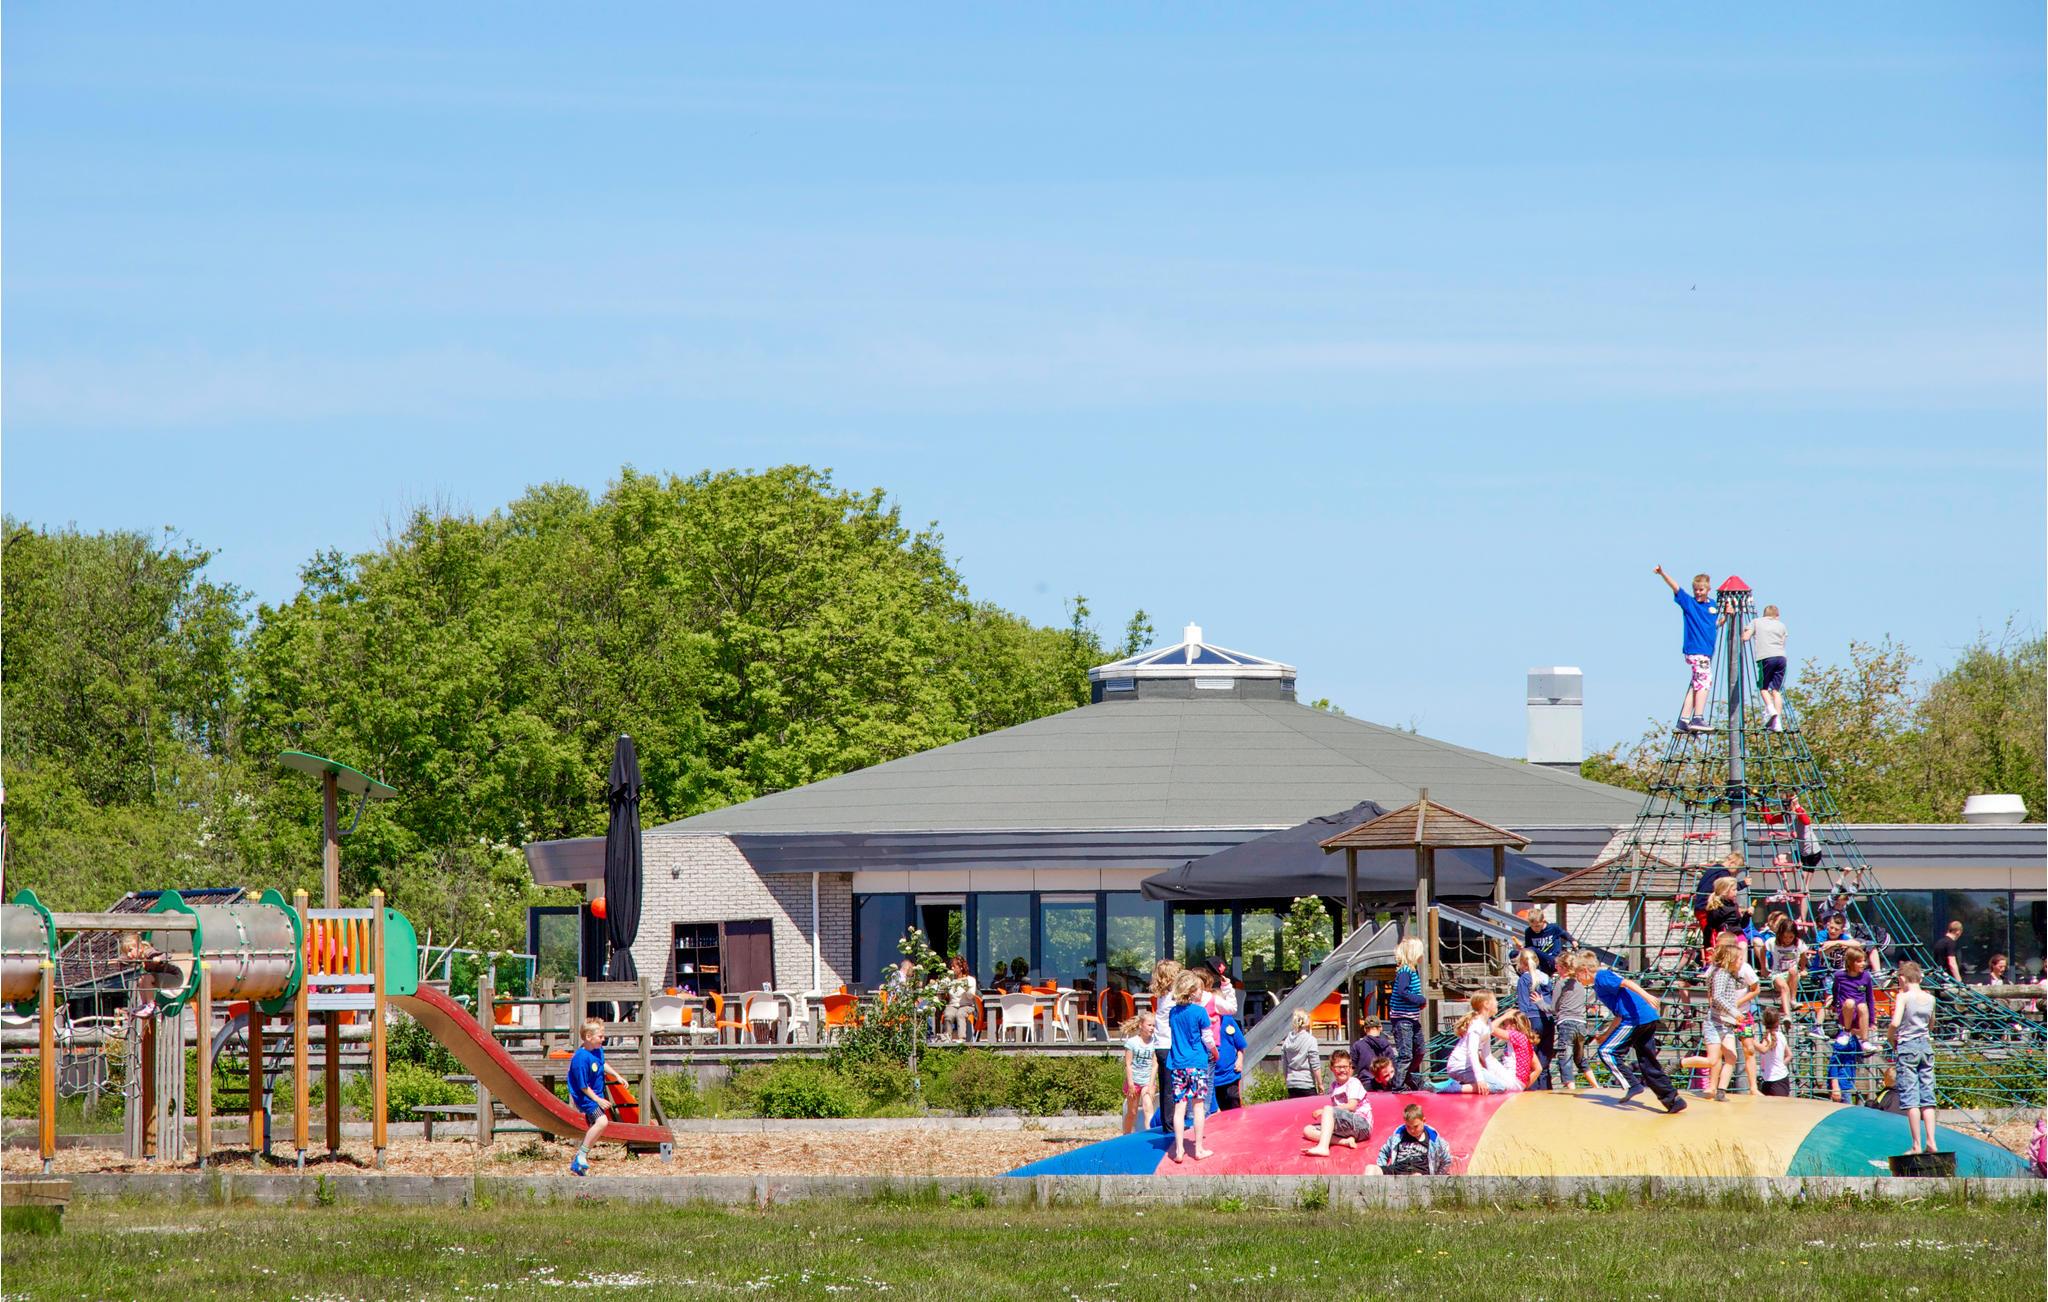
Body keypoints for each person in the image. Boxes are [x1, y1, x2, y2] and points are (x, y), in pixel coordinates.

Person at [1576, 953, 1685, 1113]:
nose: (1577, 979)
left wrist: (1647, 995)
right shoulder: (1600, 984)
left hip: (1635, 1019)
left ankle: (1632, 1085)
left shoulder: (1601, 977)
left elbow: (1627, 982)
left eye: (1577, 974)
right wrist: (1606, 1034)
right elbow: (1619, 1014)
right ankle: (1673, 1100)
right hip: (1646, 1018)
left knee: (1606, 1052)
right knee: (1648, 1062)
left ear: (1585, 970)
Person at [1654, 565, 1724, 733]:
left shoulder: (1713, 606)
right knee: (1705, 682)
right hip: (1697, 651)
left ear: (1708, 589)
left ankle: (1683, 720)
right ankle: (1698, 717)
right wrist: (1662, 573)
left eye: (1701, 590)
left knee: (1696, 684)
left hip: (1705, 651)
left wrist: (1727, 616)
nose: (1698, 592)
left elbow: (1714, 625)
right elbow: (1676, 587)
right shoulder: (1689, 603)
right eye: (1696, 590)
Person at [1164, 971, 1216, 1163]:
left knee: (1180, 1107)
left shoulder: (1173, 1013)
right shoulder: (1200, 1012)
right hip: (1196, 1063)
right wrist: (1215, 1052)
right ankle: (1198, 1149)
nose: (1202, 992)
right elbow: (1207, 1038)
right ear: (1192, 991)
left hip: (1178, 1063)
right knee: (1198, 1106)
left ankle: (1179, 1150)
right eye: (1200, 989)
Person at [1889, 961, 1939, 1154]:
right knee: (1927, 1096)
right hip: (1925, 1046)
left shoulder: (1903, 997)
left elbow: (1895, 1022)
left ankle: (1917, 1144)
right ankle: (1932, 1141)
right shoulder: (1930, 998)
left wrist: (1890, 1037)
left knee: (1911, 1097)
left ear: (1902, 978)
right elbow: (1932, 1024)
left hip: (1907, 1046)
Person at [1703, 939, 1760, 1101]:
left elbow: (1756, 988)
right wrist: (1732, 1010)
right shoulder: (1720, 972)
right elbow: (1715, 995)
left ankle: (1746, 1088)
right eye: (1740, 958)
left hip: (1740, 1016)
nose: (1742, 961)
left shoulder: (1741, 970)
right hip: (1724, 1017)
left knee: (1745, 1050)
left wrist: (1737, 1007)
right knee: (1715, 1058)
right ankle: (1713, 1086)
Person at [1443, 991, 1518, 1094]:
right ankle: (1452, 1088)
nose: (1497, 1003)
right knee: (1498, 1087)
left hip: (1468, 1066)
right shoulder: (1476, 1025)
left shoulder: (1487, 1024)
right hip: (1460, 1066)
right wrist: (1480, 1079)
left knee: (1501, 1084)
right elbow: (1472, 1053)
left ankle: (1458, 1085)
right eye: (1495, 1000)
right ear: (1486, 1004)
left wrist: (1496, 1073)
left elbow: (1486, 1054)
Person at [1300, 1050, 1370, 1158]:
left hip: (1361, 1125)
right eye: (1338, 1067)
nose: (1342, 1070)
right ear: (1332, 1068)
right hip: (1345, 1127)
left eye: (1345, 1067)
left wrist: (1326, 1111)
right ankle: (1344, 1141)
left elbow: (1352, 1106)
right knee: (1308, 1130)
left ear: (1350, 1067)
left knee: (1328, 1109)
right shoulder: (1334, 1086)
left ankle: (1323, 1147)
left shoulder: (1353, 1082)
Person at [566, 1016, 612, 1176]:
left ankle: (580, 1162)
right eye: (600, 1036)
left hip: (596, 1095)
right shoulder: (580, 1059)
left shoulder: (597, 1050)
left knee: (599, 1124)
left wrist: (617, 1076)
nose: (603, 1039)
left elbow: (602, 1064)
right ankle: (581, 1155)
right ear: (588, 1037)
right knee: (602, 1121)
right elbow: (583, 1086)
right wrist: (598, 1100)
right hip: (586, 1098)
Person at [1741, 603, 1790, 731]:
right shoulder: (1781, 625)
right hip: (1781, 658)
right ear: (1777, 616)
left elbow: (1745, 637)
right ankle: (1777, 722)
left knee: (1763, 687)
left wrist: (1743, 632)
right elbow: (1783, 643)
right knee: (1776, 691)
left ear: (1764, 615)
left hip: (1766, 657)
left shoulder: (1756, 622)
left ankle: (1770, 709)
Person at [1368, 1102, 1453, 1175]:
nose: (1412, 1130)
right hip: (1397, 1171)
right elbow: (1384, 1152)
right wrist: (1381, 1174)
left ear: (1424, 1121)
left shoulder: (1434, 1139)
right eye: (1408, 1126)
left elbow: (1446, 1159)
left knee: (1416, 1176)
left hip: (1419, 1173)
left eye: (1415, 1126)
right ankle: (1367, 1189)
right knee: (1370, 1168)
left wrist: (1436, 1178)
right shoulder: (1398, 1136)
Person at [1388, 936, 1428, 1090]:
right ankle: (1398, 1086)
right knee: (1406, 1054)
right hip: (1402, 1018)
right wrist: (1420, 1000)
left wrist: (1418, 1002)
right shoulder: (1405, 971)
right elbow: (1402, 992)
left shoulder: (1411, 971)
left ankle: (1406, 1076)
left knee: (1420, 1050)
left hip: (1411, 1017)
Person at [1549, 950, 1592, 1091]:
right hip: (1581, 1024)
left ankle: (1571, 1088)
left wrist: (1539, 1002)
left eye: (1557, 966)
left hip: (1566, 1023)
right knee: (1580, 1058)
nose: (1555, 968)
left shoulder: (1561, 983)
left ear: (1563, 968)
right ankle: (1596, 1085)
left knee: (1564, 1057)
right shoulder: (1579, 983)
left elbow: (1553, 1008)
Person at [1510, 949, 1553, 1089]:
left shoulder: (1524, 979)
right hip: (1548, 1020)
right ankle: (1545, 1089)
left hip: (1532, 1019)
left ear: (1521, 964)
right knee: (1544, 1058)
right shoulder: (1546, 978)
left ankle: (1531, 1088)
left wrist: (1520, 1025)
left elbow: (1523, 1005)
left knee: (1529, 1057)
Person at [1149, 960, 1181, 1132]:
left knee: (1165, 1085)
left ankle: (1166, 1121)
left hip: (1161, 1045)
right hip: (1169, 1045)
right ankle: (1169, 1124)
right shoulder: (1172, 998)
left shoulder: (1162, 996)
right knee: (1170, 1086)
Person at [116, 930, 178, 1020]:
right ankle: (145, 1004)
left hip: (174, 977)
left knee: (146, 977)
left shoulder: (148, 952)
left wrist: (158, 958)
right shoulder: (138, 955)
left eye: (130, 950)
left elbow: (167, 955)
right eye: (127, 952)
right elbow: (125, 958)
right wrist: (118, 960)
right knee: (141, 979)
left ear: (139, 947)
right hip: (163, 977)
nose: (129, 955)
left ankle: (150, 1005)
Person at [1119, 1012, 1157, 1135]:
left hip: (1147, 1081)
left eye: (1154, 1025)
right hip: (1134, 1080)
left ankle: (1150, 1135)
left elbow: (1154, 1065)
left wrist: (1151, 1084)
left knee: (1148, 1108)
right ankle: (1126, 1135)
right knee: (1132, 1112)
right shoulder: (1132, 1043)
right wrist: (1130, 1084)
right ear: (1141, 1025)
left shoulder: (1155, 1043)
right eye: (1149, 1025)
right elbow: (1128, 1064)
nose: (1152, 1028)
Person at [1832, 945, 1878, 1048]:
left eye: (1864, 961)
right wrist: (1834, 1004)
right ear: (1850, 962)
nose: (1863, 964)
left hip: (1860, 1014)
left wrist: (1872, 1021)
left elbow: (1870, 998)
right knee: (1850, 1002)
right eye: (1859, 961)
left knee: (1862, 1005)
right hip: (1846, 1013)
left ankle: (1865, 1040)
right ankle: (1846, 1031)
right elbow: (1835, 992)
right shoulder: (1839, 976)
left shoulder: (1866, 976)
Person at [1765, 916, 1805, 1019]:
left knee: (1793, 970)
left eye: (1790, 937)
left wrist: (1803, 969)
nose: (1787, 940)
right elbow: (1762, 950)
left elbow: (1803, 955)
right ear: (1780, 935)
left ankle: (1793, 1000)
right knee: (1784, 988)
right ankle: (1787, 1016)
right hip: (1777, 974)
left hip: (1792, 975)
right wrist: (1763, 967)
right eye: (1785, 937)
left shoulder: (1798, 943)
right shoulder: (1772, 942)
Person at [1700, 876, 1748, 962]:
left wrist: (1747, 915)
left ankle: (1742, 967)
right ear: (1725, 891)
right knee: (1727, 946)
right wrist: (1707, 945)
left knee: (1743, 946)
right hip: (1725, 934)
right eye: (1734, 890)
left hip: (1737, 933)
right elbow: (1709, 927)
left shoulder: (1734, 905)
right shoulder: (1716, 907)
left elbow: (1741, 925)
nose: (1736, 892)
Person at [1280, 1008, 1323, 1098]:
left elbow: (1284, 1064)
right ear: (1307, 1022)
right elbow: (1315, 1064)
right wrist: (1320, 1084)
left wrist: (1286, 1079)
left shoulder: (1287, 1041)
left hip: (1291, 1083)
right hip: (1306, 1082)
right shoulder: (1310, 1040)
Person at [1519, 906, 1575, 977]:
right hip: (1539, 961)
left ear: (1543, 921)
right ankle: (1525, 977)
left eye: (1537, 926)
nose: (1535, 929)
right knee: (1513, 953)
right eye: (1532, 926)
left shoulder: (1553, 928)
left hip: (1553, 958)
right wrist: (1522, 949)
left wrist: (1573, 941)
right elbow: (1528, 948)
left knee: (1531, 949)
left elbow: (1564, 933)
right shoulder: (1529, 931)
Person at [1493, 1008, 1539, 1090]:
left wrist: (1504, 1016)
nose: (1503, 1027)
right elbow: (1538, 1068)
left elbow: (1490, 1028)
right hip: (1518, 1083)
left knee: (1486, 1058)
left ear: (1513, 1027)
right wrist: (1523, 1087)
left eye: (1505, 1024)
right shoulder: (1525, 1041)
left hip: (1512, 1079)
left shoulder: (1517, 1036)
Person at [1212, 1010, 1248, 1111]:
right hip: (1212, 1077)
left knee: (1234, 1103)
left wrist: (1240, 1060)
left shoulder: (1228, 1020)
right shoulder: (1204, 1022)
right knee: (1216, 1110)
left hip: (1230, 1073)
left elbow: (1240, 1045)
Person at [1755, 1007, 1792, 1097]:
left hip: (1773, 1079)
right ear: (1778, 1022)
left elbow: (1763, 1049)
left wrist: (1750, 1039)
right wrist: (1780, 1065)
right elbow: (1789, 1055)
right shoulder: (1780, 1035)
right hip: (1779, 1078)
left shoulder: (1769, 1037)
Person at [941, 956, 978, 1042]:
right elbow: (941, 991)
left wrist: (966, 987)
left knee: (960, 1014)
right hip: (953, 1005)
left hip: (967, 1005)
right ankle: (947, 1038)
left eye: (954, 966)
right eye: (951, 966)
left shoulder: (970, 980)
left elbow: (970, 996)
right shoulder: (949, 980)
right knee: (948, 1014)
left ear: (961, 967)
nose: (952, 968)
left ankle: (962, 1038)